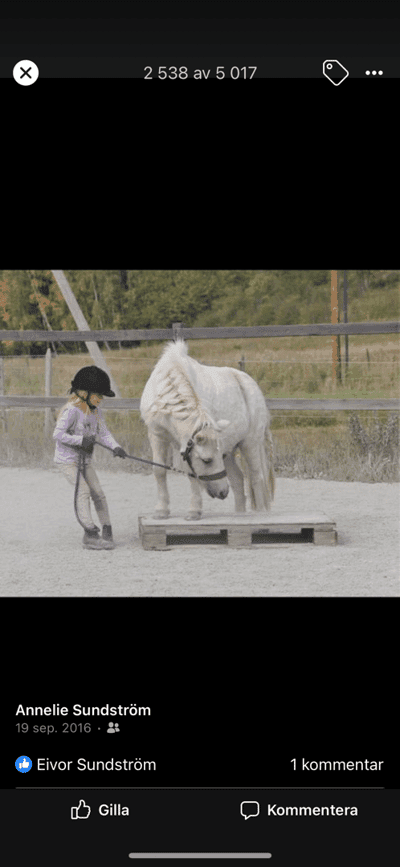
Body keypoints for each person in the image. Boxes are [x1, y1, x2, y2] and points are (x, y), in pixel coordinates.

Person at [53, 365, 127, 549]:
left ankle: (107, 528)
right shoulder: (71, 410)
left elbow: (104, 433)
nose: (101, 399)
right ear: (83, 393)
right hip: (68, 461)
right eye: (99, 395)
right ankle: (90, 533)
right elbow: (58, 435)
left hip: (85, 461)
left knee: (99, 493)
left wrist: (116, 447)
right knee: (83, 492)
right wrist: (81, 440)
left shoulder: (95, 411)